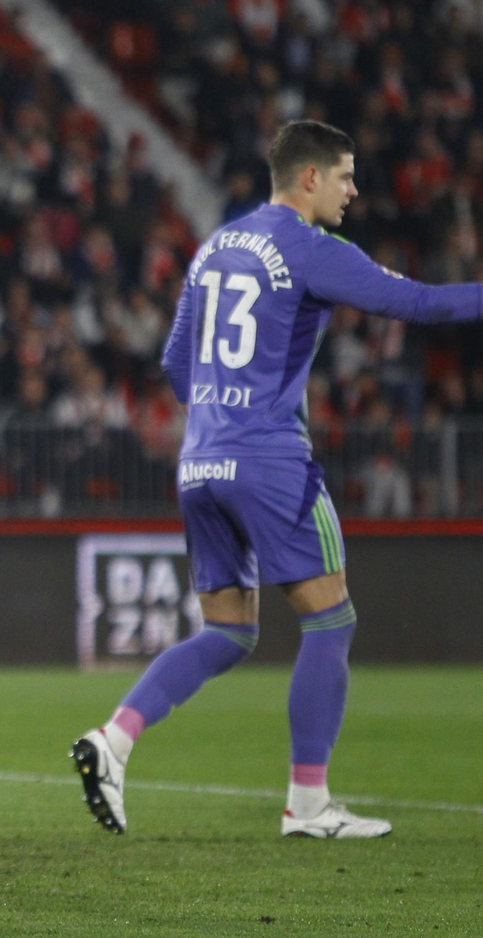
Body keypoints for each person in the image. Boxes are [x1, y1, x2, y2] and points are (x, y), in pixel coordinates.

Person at [71, 121, 483, 839]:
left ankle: (114, 739)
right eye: (347, 175)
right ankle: (309, 804)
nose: (355, 191)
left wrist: (221, 411)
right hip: (268, 459)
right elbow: (421, 305)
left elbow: (175, 365)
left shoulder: (214, 249)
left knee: (229, 632)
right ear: (310, 178)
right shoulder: (310, 249)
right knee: (331, 619)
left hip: (200, 461)